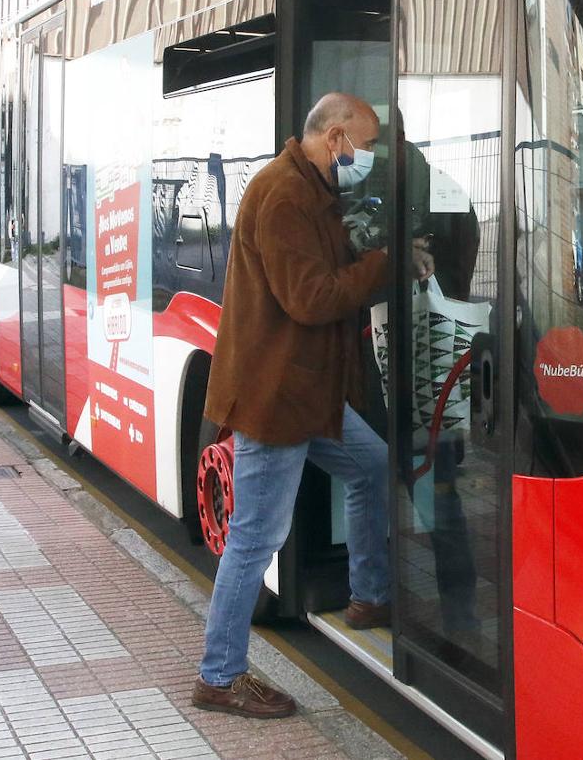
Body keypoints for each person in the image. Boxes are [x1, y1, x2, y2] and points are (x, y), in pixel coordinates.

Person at [192, 92, 421, 719]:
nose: (371, 157)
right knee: (254, 538)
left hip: (305, 391)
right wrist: (385, 264)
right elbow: (312, 298)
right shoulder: (285, 195)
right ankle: (220, 675)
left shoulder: (310, 189)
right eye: (369, 145)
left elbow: (328, 267)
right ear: (338, 137)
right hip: (278, 397)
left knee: (371, 464)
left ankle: (370, 594)